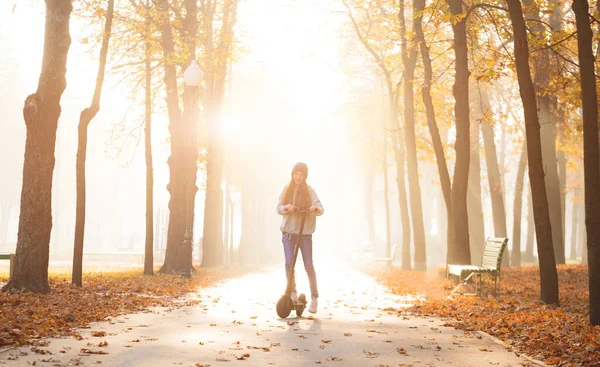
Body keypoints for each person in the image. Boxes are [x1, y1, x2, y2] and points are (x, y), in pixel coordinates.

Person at [276, 162, 324, 313]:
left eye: (301, 175)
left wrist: (315, 209)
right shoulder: (287, 189)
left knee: (308, 265)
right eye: (296, 174)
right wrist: (286, 208)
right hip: (289, 233)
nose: (298, 177)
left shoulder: (310, 191)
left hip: (304, 234)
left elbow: (320, 207)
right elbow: (278, 207)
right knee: (289, 264)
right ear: (292, 174)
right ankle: (292, 293)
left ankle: (314, 298)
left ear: (304, 177)